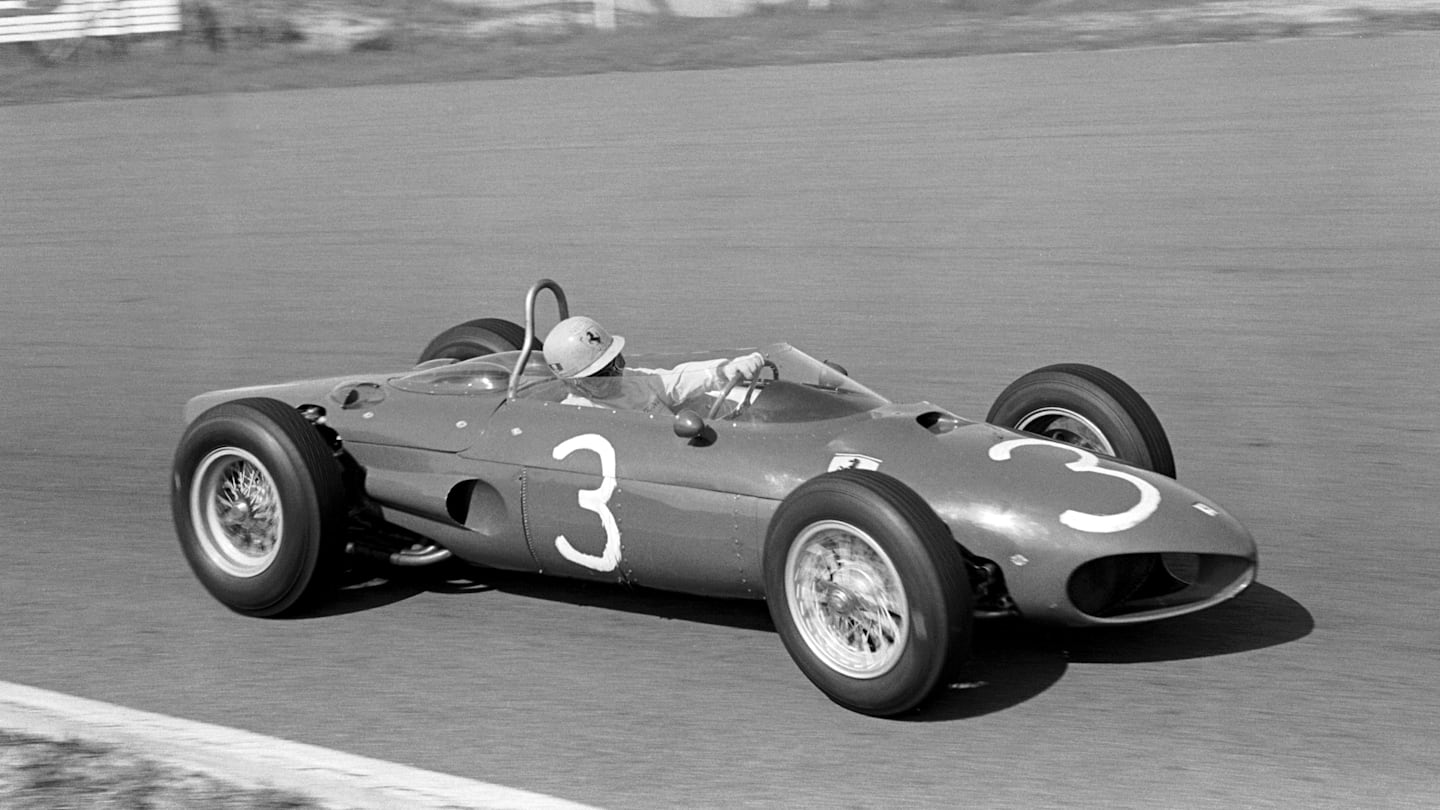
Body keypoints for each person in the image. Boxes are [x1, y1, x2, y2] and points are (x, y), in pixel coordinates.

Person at [543, 316, 765, 415]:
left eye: (617, 362)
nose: (617, 374)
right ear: (576, 384)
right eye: (603, 374)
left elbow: (676, 379)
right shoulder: (576, 414)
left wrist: (723, 370)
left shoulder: (634, 380)